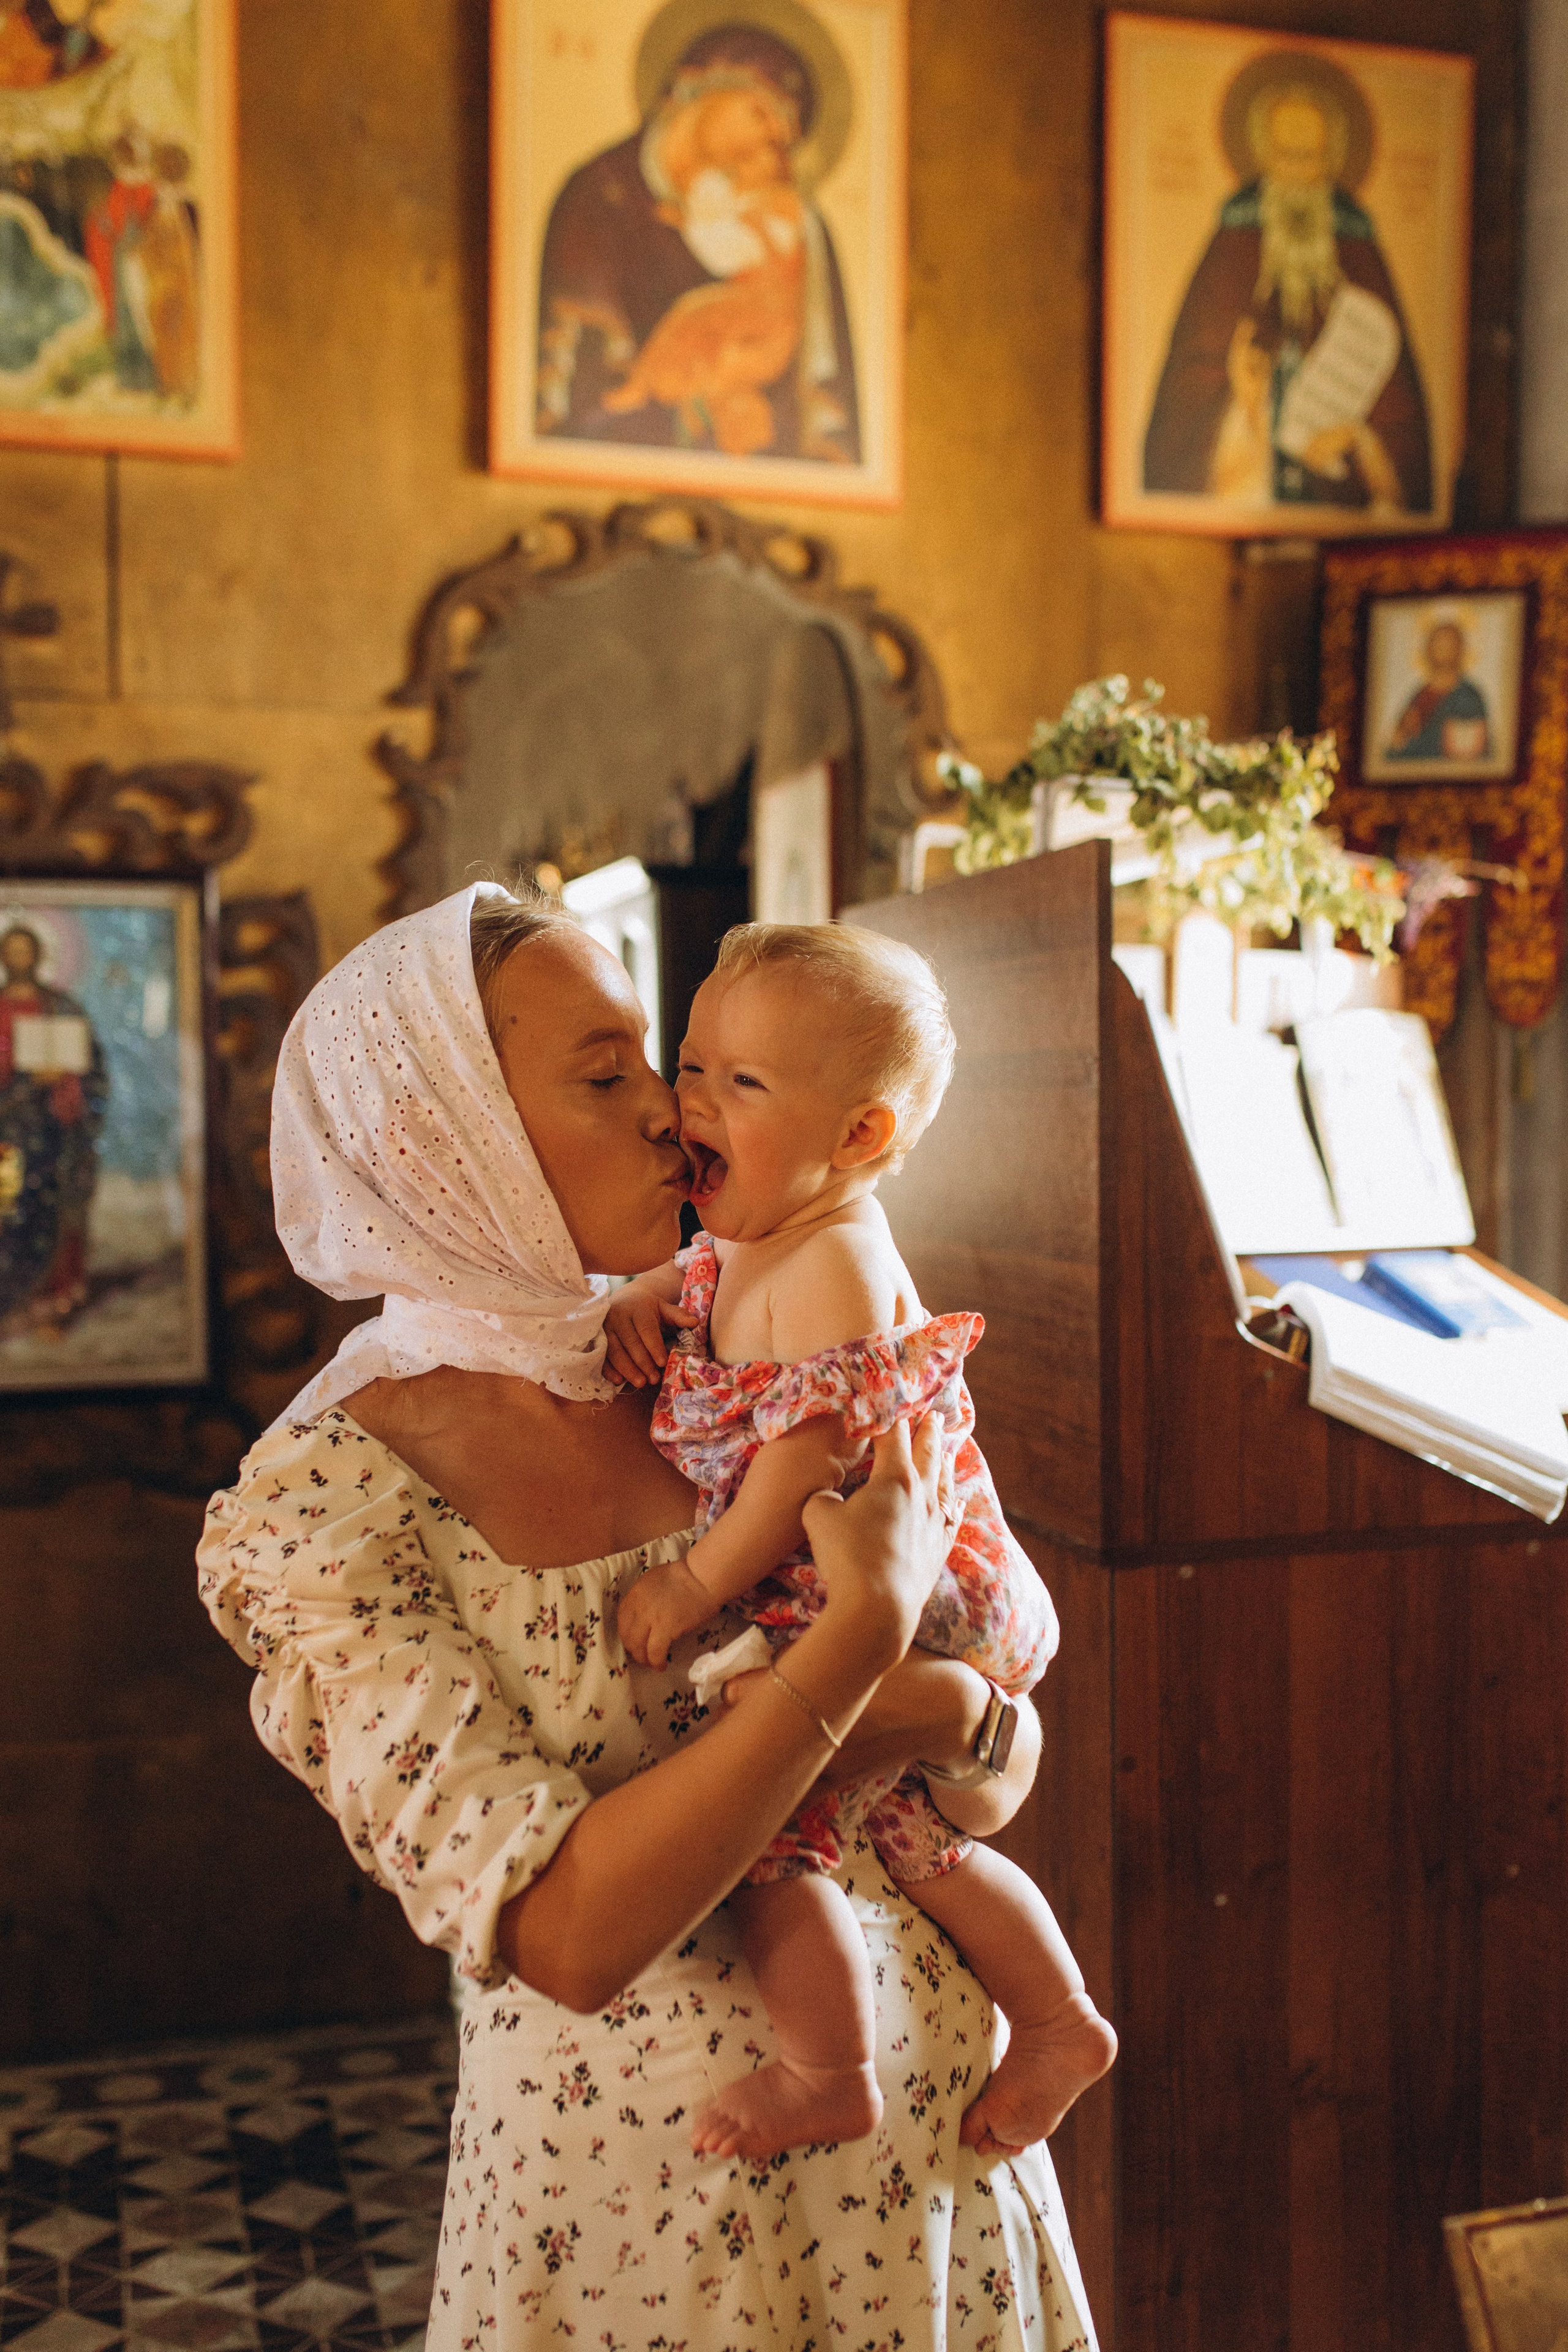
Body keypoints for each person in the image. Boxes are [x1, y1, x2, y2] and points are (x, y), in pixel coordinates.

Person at [197, 881, 1100, 2351]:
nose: (668, 1116)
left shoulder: (728, 1351)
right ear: (447, 1129)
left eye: (669, 1068)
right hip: (648, 2231)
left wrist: (943, 1708)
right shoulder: (326, 1506)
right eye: (606, 1075)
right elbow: (566, 1931)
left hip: (942, 2170)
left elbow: (990, 1763)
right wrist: (854, 1645)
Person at [607, 922, 1117, 2166]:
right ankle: (1054, 2021)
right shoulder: (753, 1235)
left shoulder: (832, 1256)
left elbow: (804, 1460)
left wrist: (697, 1580)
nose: (691, 1104)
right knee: (915, 1842)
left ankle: (823, 2070)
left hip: (901, 1575)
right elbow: (706, 1284)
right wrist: (641, 1296)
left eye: (743, 1084)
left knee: (764, 1829)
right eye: (690, 1064)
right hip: (866, 1574)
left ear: (860, 1139)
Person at [535, 23, 860, 464]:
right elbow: (568, 390)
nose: (770, 147)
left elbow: (824, 415)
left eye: (784, 143)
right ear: (697, 85)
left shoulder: (796, 222)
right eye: (761, 115)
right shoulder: (600, 195)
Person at [1143, 67, 1431, 513]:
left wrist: (1358, 437)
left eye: (1310, 158)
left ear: (1332, 162)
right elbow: (1190, 384)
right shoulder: (1236, 240)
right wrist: (1244, 407)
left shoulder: (1357, 245)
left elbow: (1401, 416)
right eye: (1284, 156)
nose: (1297, 176)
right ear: (1263, 157)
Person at [0, 919, 106, 1332]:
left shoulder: (63, 1007)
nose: (20, 959)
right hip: (7, 1130)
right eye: (13, 952)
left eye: (27, 951)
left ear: (39, 957)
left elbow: (92, 1065)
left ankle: (53, 1297)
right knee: (9, 1210)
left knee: (53, 1208)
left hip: (54, 1132)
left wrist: (64, 1077)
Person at [1385, 618, 1490, 762]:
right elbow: (1396, 743)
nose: (1443, 652)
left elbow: (1468, 749)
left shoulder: (1468, 696)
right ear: (1429, 650)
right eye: (1438, 645)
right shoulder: (1420, 694)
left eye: (1449, 646)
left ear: (1459, 650)